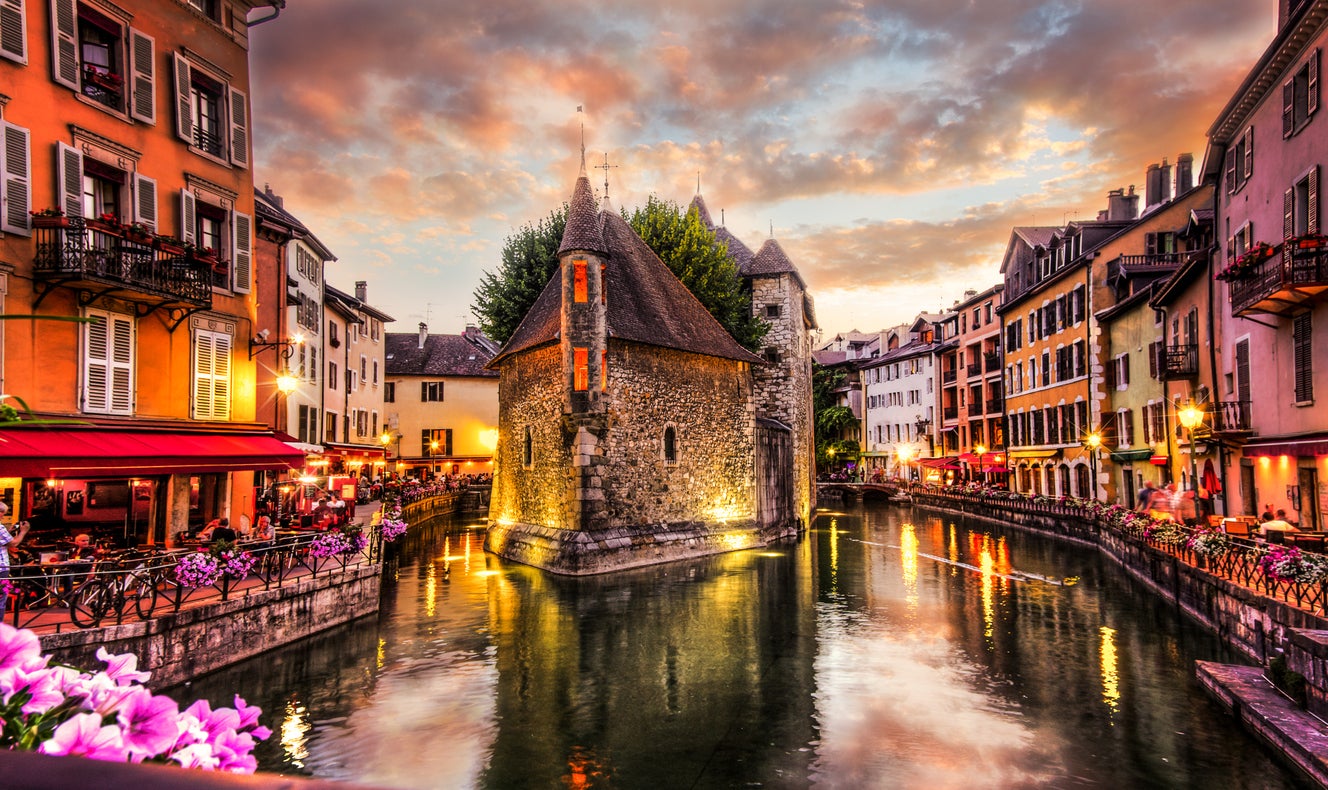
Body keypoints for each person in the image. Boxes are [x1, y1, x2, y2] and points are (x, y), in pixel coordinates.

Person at [0, 502, 32, 620]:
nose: (3, 516)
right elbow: (13, 543)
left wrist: (10, 531)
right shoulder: (0, 527)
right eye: (3, 514)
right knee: (1, 598)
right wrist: (23, 531)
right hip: (1, 568)